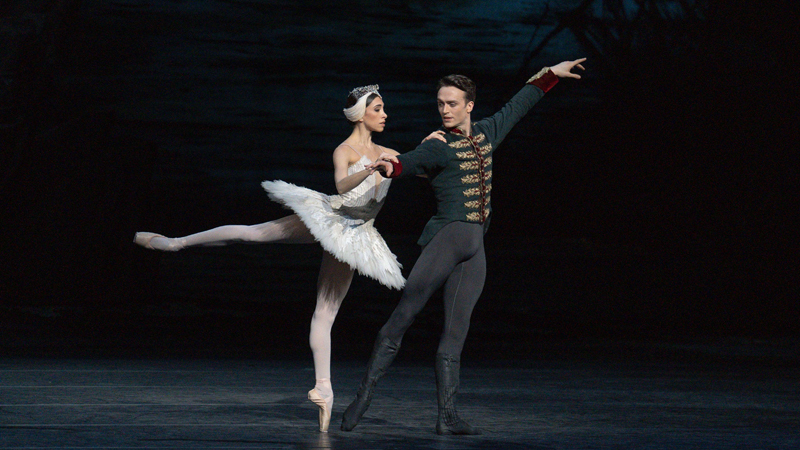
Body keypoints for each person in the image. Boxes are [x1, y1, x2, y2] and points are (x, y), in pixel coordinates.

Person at [133, 84, 445, 433]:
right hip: (329, 217)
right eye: (378, 108)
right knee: (253, 233)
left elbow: (420, 168)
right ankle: (175, 243)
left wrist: (430, 145)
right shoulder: (345, 150)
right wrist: (371, 168)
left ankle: (324, 389)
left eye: (384, 108)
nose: (385, 114)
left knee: (325, 313)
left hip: (354, 234)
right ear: (361, 114)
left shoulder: (389, 151)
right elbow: (342, 186)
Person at [340, 59, 587, 435]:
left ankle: (447, 416)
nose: (444, 109)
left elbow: (520, 103)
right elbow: (409, 162)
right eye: (440, 103)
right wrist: (391, 167)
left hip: (475, 250)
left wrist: (552, 72)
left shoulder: (488, 132)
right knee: (404, 315)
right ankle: (363, 396)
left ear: (469, 105)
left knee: (456, 333)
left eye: (452, 103)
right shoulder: (438, 146)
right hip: (445, 242)